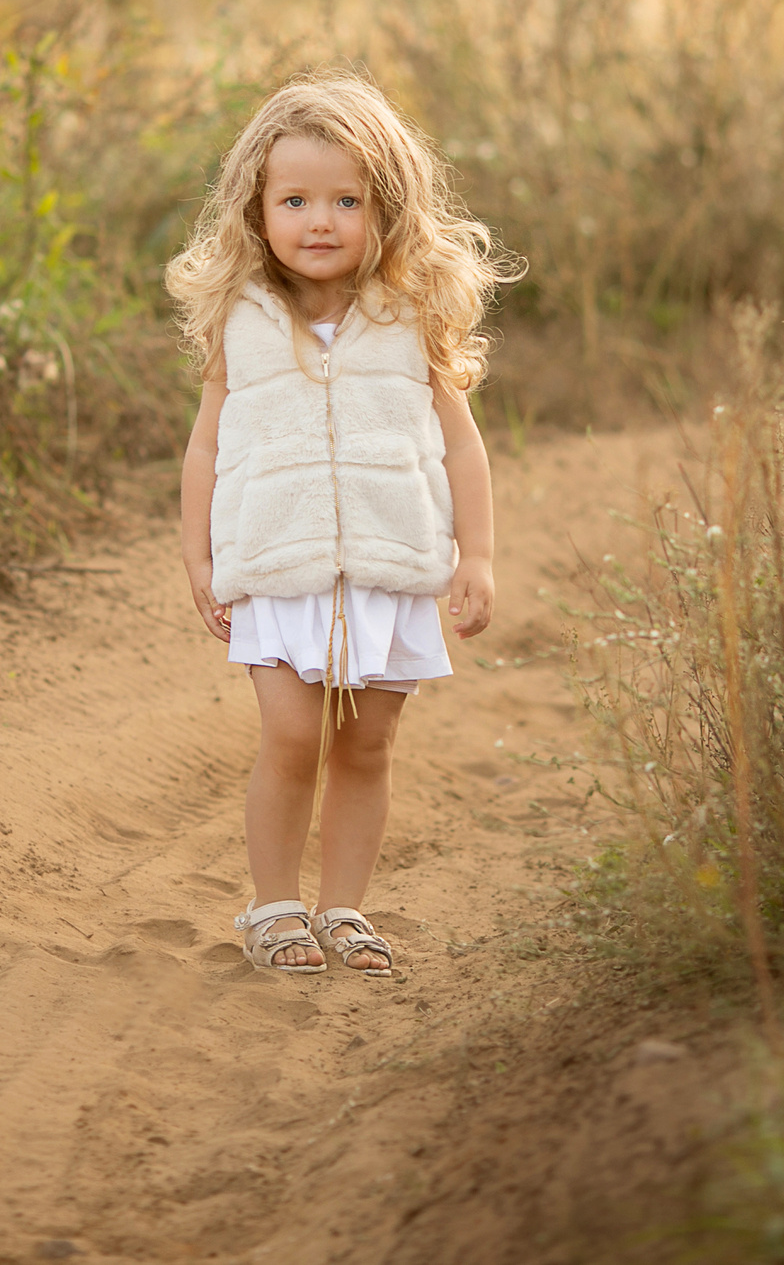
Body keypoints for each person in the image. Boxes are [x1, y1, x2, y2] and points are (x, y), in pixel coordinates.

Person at [166, 74, 518, 977]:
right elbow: (205, 449)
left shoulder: (409, 317)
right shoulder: (240, 320)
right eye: (295, 200)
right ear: (259, 208)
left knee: (367, 743)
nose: (319, 220)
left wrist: (473, 554)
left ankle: (345, 909)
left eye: (345, 201)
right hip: (277, 569)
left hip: (388, 568)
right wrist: (202, 558)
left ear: (384, 211)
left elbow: (463, 447)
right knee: (291, 736)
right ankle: (275, 907)